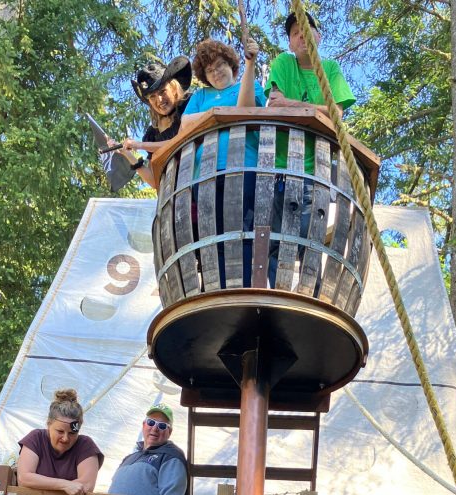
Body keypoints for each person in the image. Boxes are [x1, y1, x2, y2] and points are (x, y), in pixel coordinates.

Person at [265, 11, 356, 290]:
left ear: (318, 36)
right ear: (290, 43)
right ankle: (278, 295)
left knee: (309, 237)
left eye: (306, 30)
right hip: (280, 167)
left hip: (315, 169)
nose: (301, 36)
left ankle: (309, 294)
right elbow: (274, 105)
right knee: (274, 237)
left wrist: (291, 104)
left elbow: (336, 113)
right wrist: (316, 110)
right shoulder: (284, 63)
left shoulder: (329, 69)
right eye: (295, 33)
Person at [182, 36, 265, 287]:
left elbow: (246, 108)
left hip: (243, 166)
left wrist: (250, 64)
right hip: (206, 173)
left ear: (231, 65)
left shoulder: (250, 84)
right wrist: (219, 113)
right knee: (213, 231)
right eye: (209, 70)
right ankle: (217, 289)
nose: (216, 72)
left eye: (220, 65)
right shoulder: (201, 95)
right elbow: (185, 124)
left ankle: (245, 288)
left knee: (243, 228)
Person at [99, 57, 192, 191]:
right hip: (175, 194)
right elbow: (154, 181)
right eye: (152, 97)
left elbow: (181, 142)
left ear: (173, 88)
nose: (159, 100)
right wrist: (126, 153)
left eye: (162, 91)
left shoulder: (189, 106)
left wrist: (139, 145)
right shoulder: (152, 134)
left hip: (199, 179)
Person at [17, 388, 104, 495]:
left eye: (72, 433)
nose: (65, 438)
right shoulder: (35, 438)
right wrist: (64, 485)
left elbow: (86, 485)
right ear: (48, 424)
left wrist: (41, 483)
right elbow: (24, 478)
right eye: (60, 431)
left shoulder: (86, 445)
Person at [107, 403, 188, 495]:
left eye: (162, 426)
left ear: (169, 432)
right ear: (144, 425)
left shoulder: (171, 457)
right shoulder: (129, 458)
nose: (155, 428)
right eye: (151, 422)